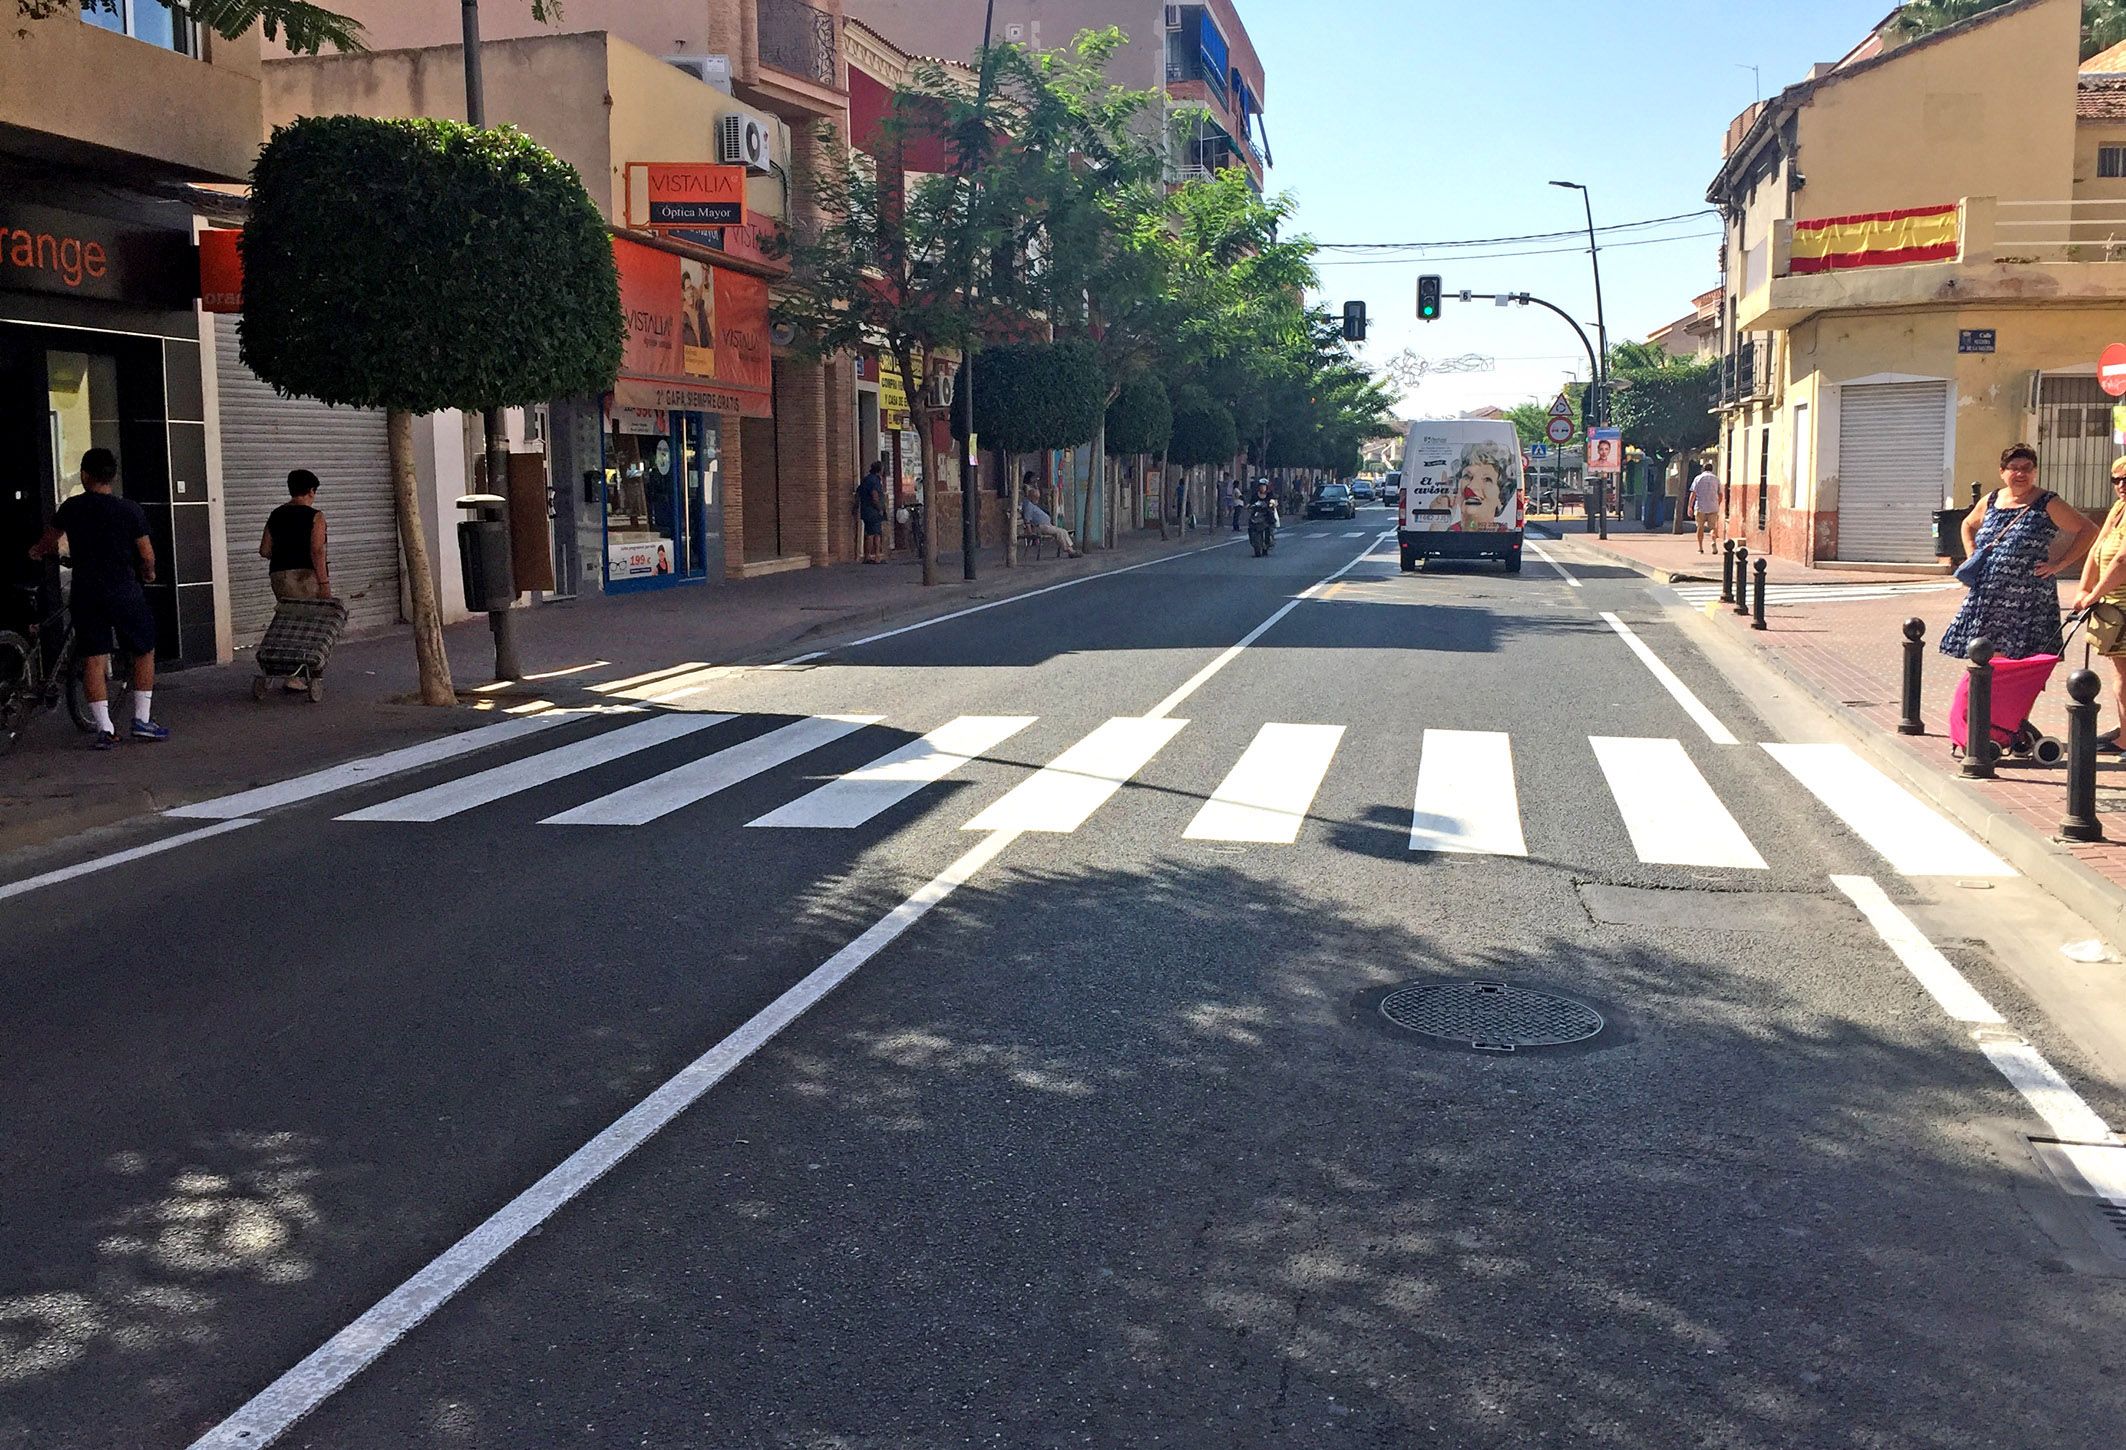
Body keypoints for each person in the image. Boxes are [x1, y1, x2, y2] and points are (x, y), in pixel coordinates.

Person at [27, 448, 166, 748]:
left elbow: (49, 540)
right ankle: (142, 720)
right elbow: (147, 554)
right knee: (144, 649)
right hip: (124, 589)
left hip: (86, 590)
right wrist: (149, 573)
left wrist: (38, 552)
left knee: (93, 656)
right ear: (113, 477)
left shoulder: (72, 507)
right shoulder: (130, 510)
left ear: (84, 475)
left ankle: (104, 727)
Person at [1941, 443, 2095, 665]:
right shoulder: (1992, 499)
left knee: (2021, 663)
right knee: (1984, 659)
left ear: (2035, 472)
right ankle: (1988, 700)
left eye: (2027, 468)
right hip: (1988, 597)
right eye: (2014, 468)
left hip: (2028, 600)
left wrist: (2059, 564)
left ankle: (2010, 699)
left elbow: (2088, 530)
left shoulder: (2047, 502)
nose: (2021, 473)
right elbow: (1967, 524)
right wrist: (1972, 554)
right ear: (2002, 472)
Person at [2069, 456, 2126, 749]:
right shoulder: (2118, 509)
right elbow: (2096, 548)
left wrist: (2094, 594)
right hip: (2114, 606)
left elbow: (2122, 560)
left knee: (2125, 675)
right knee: (2121, 673)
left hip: (2122, 604)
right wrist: (2083, 589)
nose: (2121, 485)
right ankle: (2125, 733)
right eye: (2116, 479)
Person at [260, 469, 331, 602]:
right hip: (304, 577)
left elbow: (264, 550)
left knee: (289, 618)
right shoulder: (316, 516)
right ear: (311, 491)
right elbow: (317, 551)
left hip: (279, 576)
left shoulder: (275, 514)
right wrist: (324, 584)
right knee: (310, 619)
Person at [1447, 440, 1519, 533]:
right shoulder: (1442, 533)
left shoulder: (1507, 537)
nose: (1472, 486)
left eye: (1487, 479)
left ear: (1501, 496)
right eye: (1467, 476)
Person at [1021, 484, 1079, 558]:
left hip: (1045, 525)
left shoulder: (1030, 504)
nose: (1037, 500)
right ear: (1031, 497)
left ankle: (1071, 549)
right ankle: (1070, 551)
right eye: (1036, 498)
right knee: (1060, 532)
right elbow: (1027, 520)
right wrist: (1030, 532)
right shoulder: (1028, 505)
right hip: (1040, 527)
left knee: (1063, 531)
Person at [855, 461, 888, 563]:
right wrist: (879, 509)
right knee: (875, 534)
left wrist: (856, 506)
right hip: (873, 511)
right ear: (879, 470)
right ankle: (875, 556)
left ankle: (869, 556)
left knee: (871, 532)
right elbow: (875, 496)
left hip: (866, 510)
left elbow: (858, 491)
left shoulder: (866, 479)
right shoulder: (874, 481)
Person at [1688, 464, 1721, 552]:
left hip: (1700, 506)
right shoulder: (1716, 479)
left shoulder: (1698, 478)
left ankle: (1700, 547)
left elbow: (1693, 493)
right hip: (1713, 506)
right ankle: (1713, 541)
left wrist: (1690, 506)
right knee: (1713, 527)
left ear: (1703, 469)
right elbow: (1720, 494)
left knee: (1700, 527)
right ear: (1712, 469)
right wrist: (1718, 504)